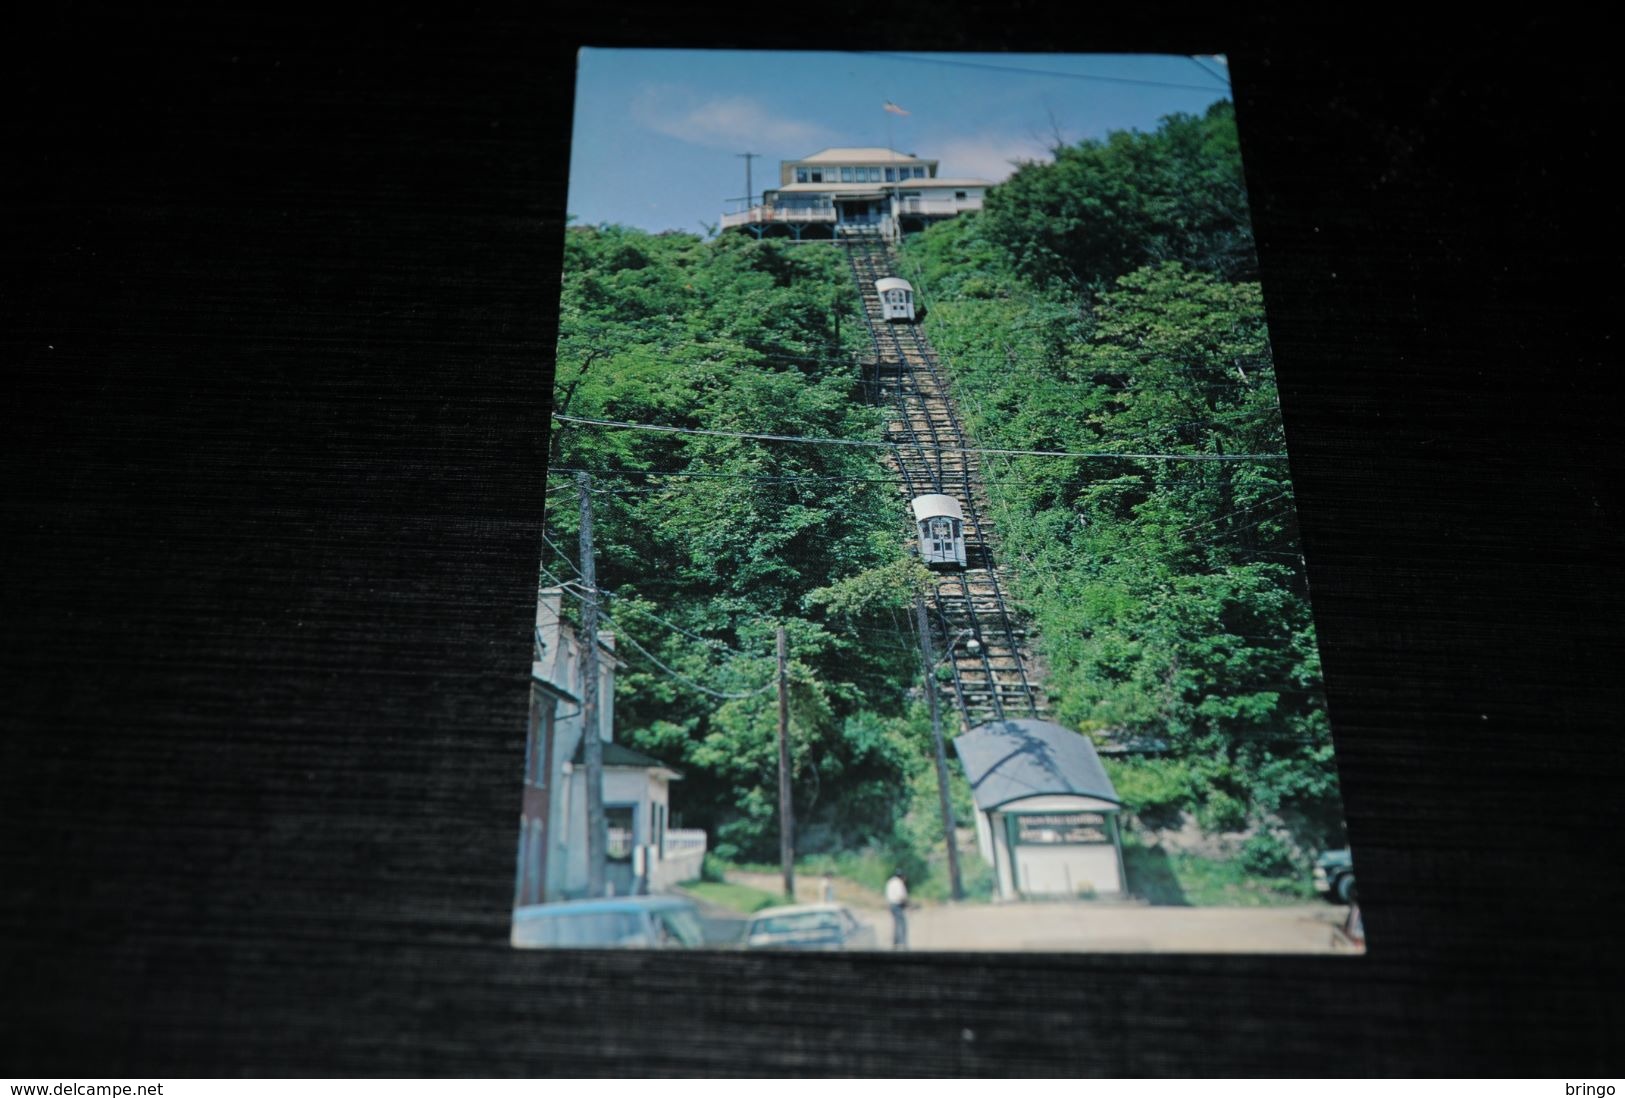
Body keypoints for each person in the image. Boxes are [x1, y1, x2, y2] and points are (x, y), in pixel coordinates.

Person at [884, 870, 909, 950]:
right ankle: (904, 943)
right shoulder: (899, 883)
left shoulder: (890, 882)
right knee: (902, 924)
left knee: (896, 923)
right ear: (901, 876)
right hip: (897, 905)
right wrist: (907, 904)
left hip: (891, 905)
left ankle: (895, 942)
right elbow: (901, 896)